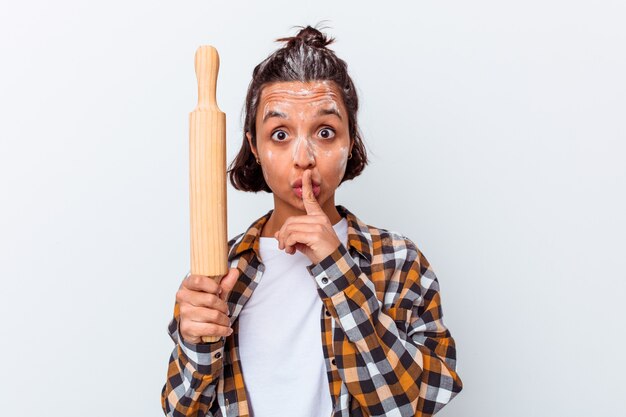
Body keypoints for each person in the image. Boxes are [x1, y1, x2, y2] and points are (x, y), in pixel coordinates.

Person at [161, 25, 463, 417]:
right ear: (254, 146)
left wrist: (338, 270)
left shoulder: (400, 262)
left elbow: (413, 405)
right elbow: (181, 411)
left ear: (350, 141)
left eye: (324, 132)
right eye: (280, 134)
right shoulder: (219, 272)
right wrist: (197, 343)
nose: (303, 157)